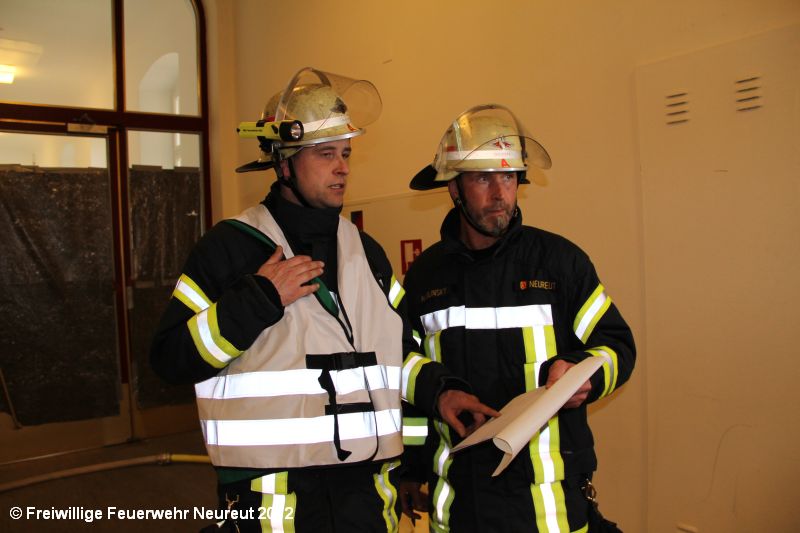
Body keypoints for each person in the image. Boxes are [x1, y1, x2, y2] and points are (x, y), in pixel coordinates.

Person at [150, 68, 497, 533]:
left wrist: (439, 391)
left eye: (346, 152)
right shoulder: (229, 248)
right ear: (283, 163)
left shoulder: (366, 252)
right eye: (325, 153)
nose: (343, 167)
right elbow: (170, 359)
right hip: (273, 502)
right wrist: (257, 300)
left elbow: (397, 352)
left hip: (366, 500)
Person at [398, 104, 636, 532]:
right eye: (483, 178)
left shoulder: (560, 264)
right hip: (460, 512)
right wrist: (412, 468)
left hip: (550, 513)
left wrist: (587, 374)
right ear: (453, 188)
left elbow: (618, 347)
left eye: (508, 178)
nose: (499, 194)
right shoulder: (424, 277)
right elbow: (409, 378)